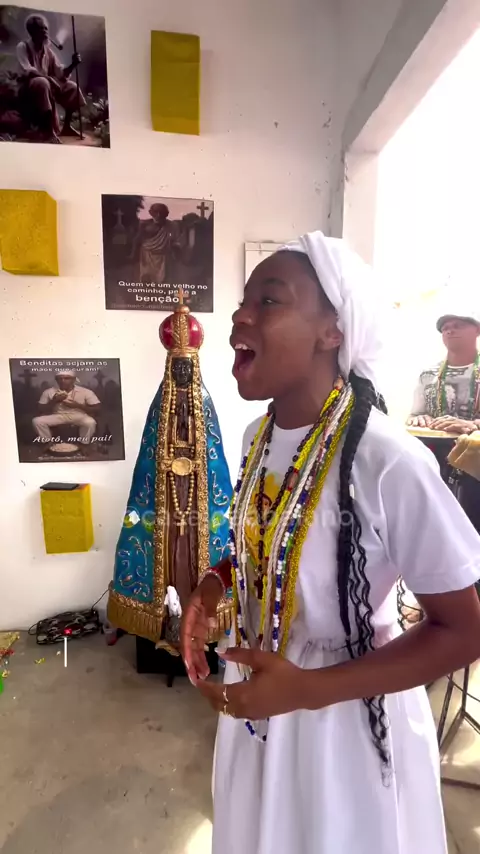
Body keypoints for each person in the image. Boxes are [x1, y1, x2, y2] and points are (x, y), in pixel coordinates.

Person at [181, 231, 480, 854]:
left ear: (333, 331)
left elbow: (463, 629)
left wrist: (308, 691)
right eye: (243, 302)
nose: (241, 316)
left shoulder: (387, 460)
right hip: (261, 707)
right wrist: (214, 585)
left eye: (269, 300)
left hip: (344, 723)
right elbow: (278, 541)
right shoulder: (257, 438)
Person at [108, 297, 232, 652]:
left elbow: (214, 455)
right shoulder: (159, 404)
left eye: (186, 367)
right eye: (176, 366)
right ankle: (164, 620)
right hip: (164, 494)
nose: (181, 372)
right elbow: (149, 454)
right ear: (169, 366)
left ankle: (200, 621)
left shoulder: (203, 402)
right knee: (166, 551)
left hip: (197, 496)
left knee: (195, 551)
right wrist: (165, 466)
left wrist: (195, 468)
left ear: (194, 367)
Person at [407, 311, 480, 434]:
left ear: (477, 330)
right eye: (445, 328)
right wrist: (418, 418)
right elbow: (413, 416)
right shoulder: (428, 375)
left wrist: (474, 425)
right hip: (433, 445)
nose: (449, 331)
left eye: (458, 326)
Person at [17, 14, 84, 143]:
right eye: (41, 29)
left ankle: (66, 127)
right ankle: (49, 131)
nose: (45, 32)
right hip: (28, 89)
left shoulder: (48, 51)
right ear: (32, 32)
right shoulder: (23, 46)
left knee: (72, 87)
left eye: (46, 28)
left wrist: (73, 65)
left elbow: (60, 73)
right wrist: (49, 79)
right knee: (42, 82)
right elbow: (28, 71)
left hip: (46, 85)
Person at [33, 370, 100, 446]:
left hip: (78, 415)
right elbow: (41, 408)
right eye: (60, 379)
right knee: (37, 421)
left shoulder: (85, 391)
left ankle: (84, 444)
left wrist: (78, 405)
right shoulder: (49, 391)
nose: (63, 381)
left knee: (90, 422)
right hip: (57, 415)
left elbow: (97, 408)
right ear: (56, 380)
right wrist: (54, 401)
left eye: (67, 378)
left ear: (74, 380)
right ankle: (48, 443)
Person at [132, 203, 174, 285]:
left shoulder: (171, 225)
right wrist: (133, 254)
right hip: (147, 255)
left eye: (161, 213)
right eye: (156, 212)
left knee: (163, 280)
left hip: (162, 257)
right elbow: (137, 239)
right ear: (151, 213)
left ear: (165, 214)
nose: (158, 215)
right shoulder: (144, 224)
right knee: (146, 278)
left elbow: (173, 240)